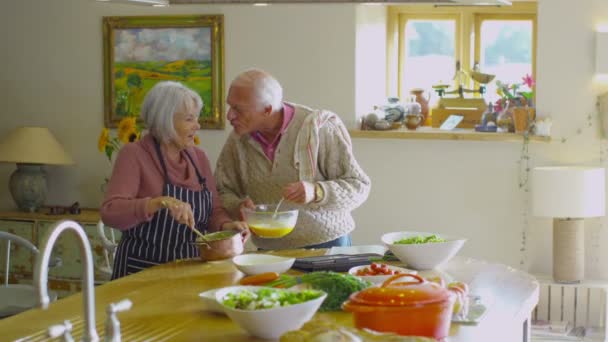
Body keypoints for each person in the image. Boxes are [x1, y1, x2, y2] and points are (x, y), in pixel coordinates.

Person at [101, 81, 249, 279]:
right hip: (141, 276)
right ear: (165, 121)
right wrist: (157, 202)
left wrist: (226, 226)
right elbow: (110, 212)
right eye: (189, 119)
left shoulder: (199, 158)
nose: (197, 126)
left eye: (197, 119)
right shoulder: (134, 155)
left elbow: (214, 211)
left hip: (190, 273)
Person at [215, 68, 371, 250]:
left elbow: (359, 186)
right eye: (229, 106)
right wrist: (238, 206)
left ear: (267, 110)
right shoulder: (238, 140)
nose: (229, 116)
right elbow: (221, 190)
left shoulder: (319, 128)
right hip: (269, 249)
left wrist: (317, 191)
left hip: (327, 245)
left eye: (238, 109)